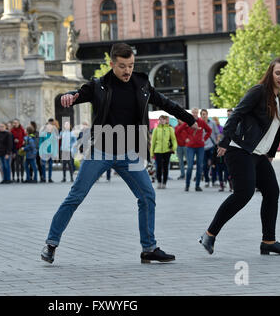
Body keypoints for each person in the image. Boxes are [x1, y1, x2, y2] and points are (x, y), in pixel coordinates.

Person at [41, 43, 197, 264]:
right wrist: (70, 95)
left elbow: (166, 103)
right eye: (122, 66)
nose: (127, 71)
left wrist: (190, 119)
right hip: (101, 150)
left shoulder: (142, 84)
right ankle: (51, 244)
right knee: (76, 195)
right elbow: (79, 93)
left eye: (131, 66)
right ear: (112, 64)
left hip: (129, 152)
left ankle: (149, 248)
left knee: (147, 195)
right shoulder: (99, 85)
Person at [199, 56, 280, 256]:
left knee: (272, 192)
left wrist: (270, 153)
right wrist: (225, 141)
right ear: (270, 72)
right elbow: (237, 114)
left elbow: (275, 130)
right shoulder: (259, 91)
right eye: (278, 73)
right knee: (244, 193)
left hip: (258, 155)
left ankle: (268, 241)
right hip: (240, 149)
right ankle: (209, 234)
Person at [176, 108, 212, 192]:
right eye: (193, 113)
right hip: (190, 147)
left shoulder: (201, 122)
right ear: (191, 113)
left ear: (197, 113)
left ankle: (197, 185)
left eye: (196, 113)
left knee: (200, 166)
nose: (195, 114)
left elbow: (209, 130)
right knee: (190, 166)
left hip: (200, 146)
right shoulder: (187, 122)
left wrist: (204, 138)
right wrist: (185, 138)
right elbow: (178, 131)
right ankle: (187, 185)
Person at [150, 115, 177, 189]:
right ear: (159, 120)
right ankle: (159, 182)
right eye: (160, 120)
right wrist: (152, 153)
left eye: (163, 120)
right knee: (158, 167)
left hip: (167, 150)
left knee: (165, 167)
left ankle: (164, 182)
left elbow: (174, 140)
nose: (162, 121)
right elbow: (153, 141)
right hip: (157, 150)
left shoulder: (170, 129)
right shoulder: (156, 129)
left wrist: (173, 148)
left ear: (166, 121)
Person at [200, 109, 219, 188]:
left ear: (207, 115)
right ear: (200, 115)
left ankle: (214, 180)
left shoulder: (213, 123)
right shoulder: (199, 124)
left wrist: (217, 143)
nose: (204, 116)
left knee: (213, 164)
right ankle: (207, 181)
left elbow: (217, 133)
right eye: (202, 114)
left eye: (205, 114)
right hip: (203, 147)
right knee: (204, 165)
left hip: (212, 146)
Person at [11, 119, 26, 183]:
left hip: (21, 148)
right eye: (14, 123)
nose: (15, 124)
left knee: (22, 163)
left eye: (16, 123)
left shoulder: (22, 130)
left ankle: (22, 177)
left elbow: (25, 138)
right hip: (16, 148)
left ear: (19, 123)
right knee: (17, 164)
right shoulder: (12, 130)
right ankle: (17, 177)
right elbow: (11, 140)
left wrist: (23, 141)